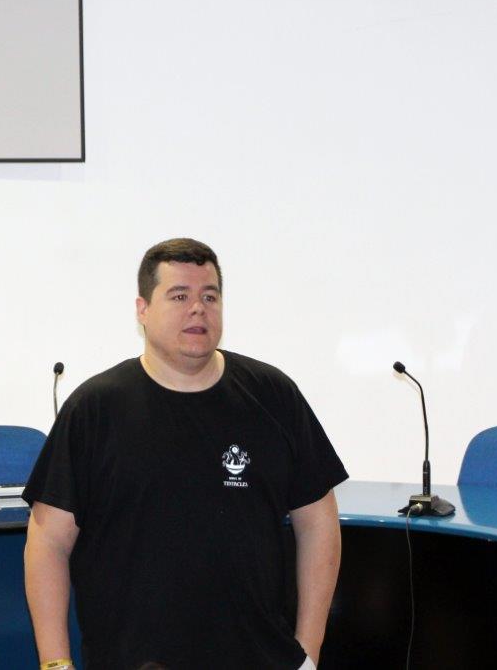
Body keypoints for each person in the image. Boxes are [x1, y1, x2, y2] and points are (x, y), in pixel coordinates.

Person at [23, 238, 346, 670]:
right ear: (142, 310)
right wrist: (55, 664)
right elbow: (47, 543)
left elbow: (319, 522)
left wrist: (308, 653)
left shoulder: (273, 396)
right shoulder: (94, 410)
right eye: (179, 296)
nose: (198, 309)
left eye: (210, 297)